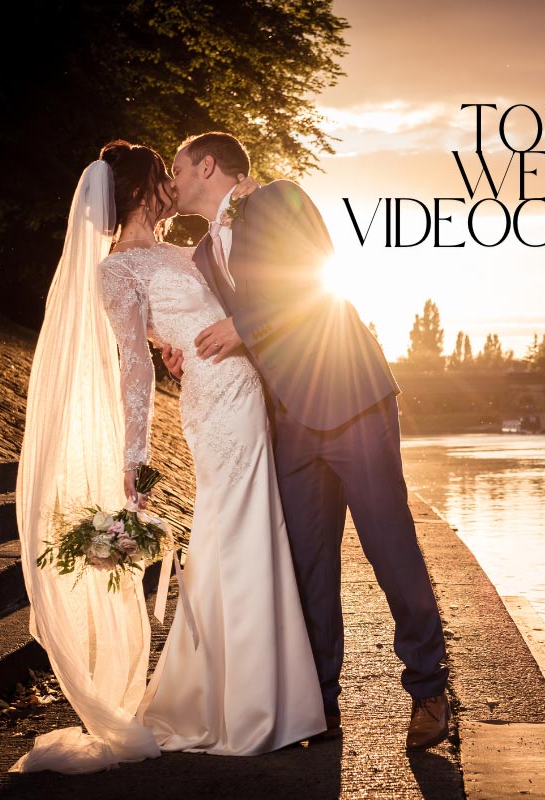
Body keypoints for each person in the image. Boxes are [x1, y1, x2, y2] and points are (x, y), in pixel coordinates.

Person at [11, 141, 324, 774]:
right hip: (215, 408)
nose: (173, 186)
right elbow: (136, 364)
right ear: (141, 192)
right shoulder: (116, 271)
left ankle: (249, 695)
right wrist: (136, 454)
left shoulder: (189, 251)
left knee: (239, 533)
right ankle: (248, 707)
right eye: (164, 177)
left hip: (247, 392)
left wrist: (191, 344)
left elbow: (232, 313)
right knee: (231, 533)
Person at [161, 132, 450, 750]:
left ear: (208, 165)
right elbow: (213, 330)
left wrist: (241, 325)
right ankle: (319, 703)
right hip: (287, 416)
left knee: (388, 545)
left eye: (180, 167)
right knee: (308, 566)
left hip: (351, 396)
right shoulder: (206, 253)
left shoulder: (281, 198)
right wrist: (188, 352)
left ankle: (429, 689)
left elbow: (314, 281)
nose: (173, 178)